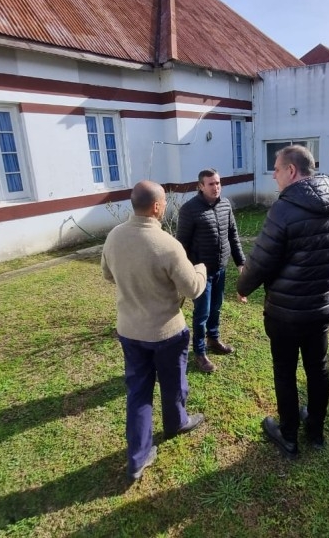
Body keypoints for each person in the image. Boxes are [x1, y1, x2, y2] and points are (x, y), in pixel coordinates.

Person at [237, 146, 329, 458]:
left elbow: (260, 262)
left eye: (276, 170)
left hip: (285, 315)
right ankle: (316, 431)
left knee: (285, 370)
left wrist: (243, 287)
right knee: (317, 369)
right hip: (320, 312)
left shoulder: (283, 211)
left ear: (292, 171)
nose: (274, 177)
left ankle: (289, 435)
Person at [101, 180, 208, 481]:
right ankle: (176, 423)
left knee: (138, 392)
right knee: (173, 382)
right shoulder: (168, 245)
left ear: (132, 205)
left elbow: (108, 274)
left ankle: (137, 458)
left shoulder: (114, 237)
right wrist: (201, 268)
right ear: (158, 207)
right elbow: (193, 288)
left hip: (130, 330)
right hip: (166, 333)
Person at [176, 168, 247, 373]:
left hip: (220, 268)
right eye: (211, 184)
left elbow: (233, 235)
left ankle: (213, 339)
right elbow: (182, 244)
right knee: (202, 313)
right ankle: (199, 352)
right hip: (201, 272)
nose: (216, 187)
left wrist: (240, 262)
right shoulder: (189, 210)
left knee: (216, 307)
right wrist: (187, 272)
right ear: (200, 186)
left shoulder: (225, 204)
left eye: (218, 183)